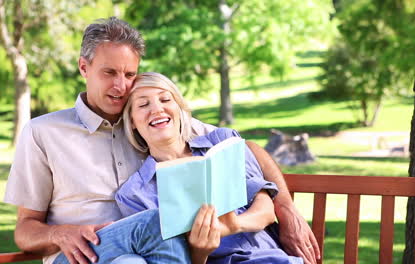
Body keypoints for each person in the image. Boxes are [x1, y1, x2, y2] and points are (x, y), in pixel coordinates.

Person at [3, 16, 319, 264]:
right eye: (109, 73)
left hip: (146, 255)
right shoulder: (43, 132)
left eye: (129, 75)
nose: (121, 85)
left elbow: (244, 147)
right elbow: (24, 229)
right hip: (83, 253)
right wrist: (60, 234)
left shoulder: (148, 120)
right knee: (158, 221)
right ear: (84, 68)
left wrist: (286, 207)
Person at [116, 72, 303, 263]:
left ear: (179, 108)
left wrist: (232, 226)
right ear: (132, 121)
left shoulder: (223, 142)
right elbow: (169, 259)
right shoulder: (134, 194)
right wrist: (200, 251)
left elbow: (266, 210)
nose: (157, 109)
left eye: (165, 99)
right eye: (143, 104)